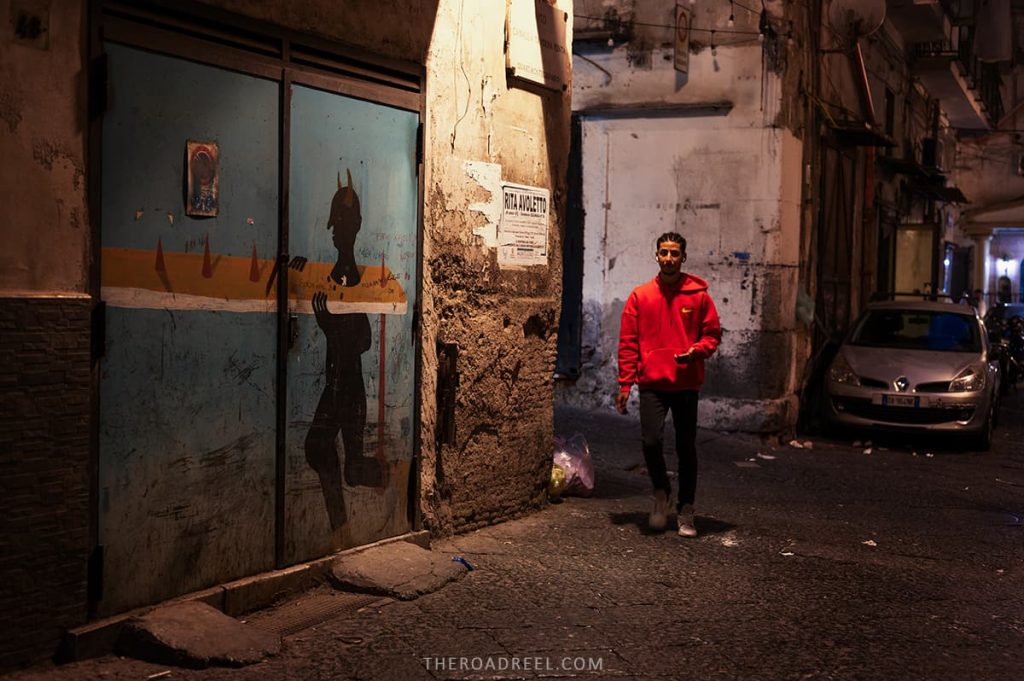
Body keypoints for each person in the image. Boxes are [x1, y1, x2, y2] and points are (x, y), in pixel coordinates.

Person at [615, 232, 722, 537]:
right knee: (650, 442)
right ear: (657, 256)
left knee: (686, 447)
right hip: (652, 382)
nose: (669, 258)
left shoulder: (699, 296)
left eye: (675, 253)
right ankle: (662, 494)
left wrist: (696, 352)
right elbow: (628, 343)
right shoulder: (641, 296)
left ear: (683, 257)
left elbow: (712, 335)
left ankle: (686, 509)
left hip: (686, 382)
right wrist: (625, 384)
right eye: (664, 252)